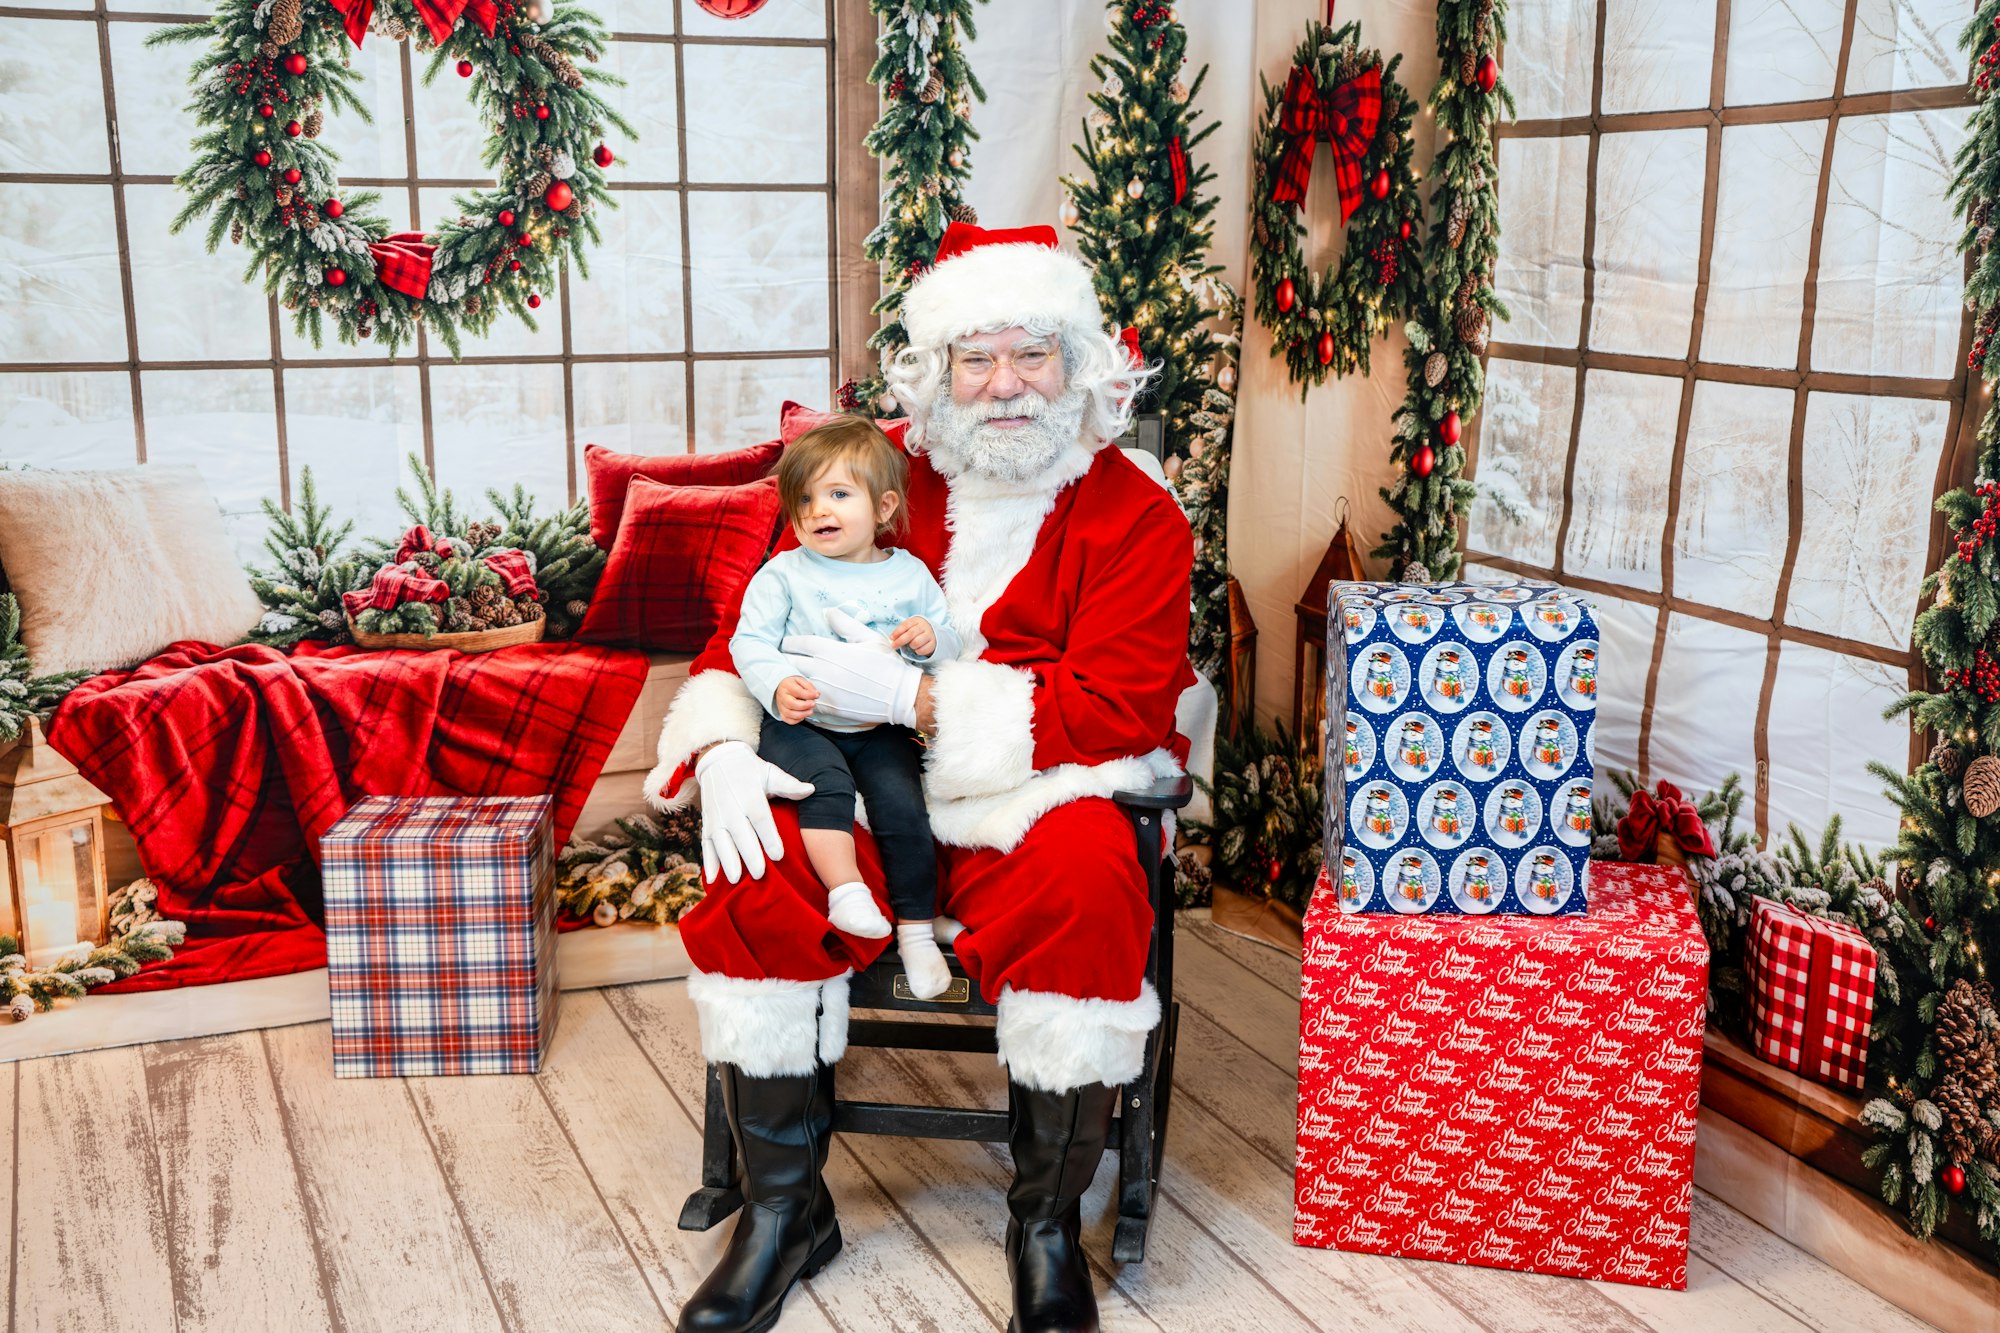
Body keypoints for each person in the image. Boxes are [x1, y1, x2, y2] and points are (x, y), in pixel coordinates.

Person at [647, 221, 1194, 1333]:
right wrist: (721, 747)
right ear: (935, 372)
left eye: (1031, 353)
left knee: (1090, 885)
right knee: (755, 872)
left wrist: (926, 703)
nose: (1004, 386)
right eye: (975, 358)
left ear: (1076, 362)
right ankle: (783, 1214)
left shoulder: (1133, 509)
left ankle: (1043, 1223)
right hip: (854, 776)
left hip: (1040, 793)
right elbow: (746, 629)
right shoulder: (875, 473)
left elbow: (1115, 708)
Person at [729, 415, 960, 1001]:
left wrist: (933, 639)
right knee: (824, 785)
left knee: (904, 805)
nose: (816, 510)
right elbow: (748, 643)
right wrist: (779, 682)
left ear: (883, 508)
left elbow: (952, 637)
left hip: (878, 725)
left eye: (837, 494)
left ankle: (915, 932)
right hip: (803, 723)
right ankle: (846, 889)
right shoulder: (783, 574)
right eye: (803, 498)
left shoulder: (909, 575)